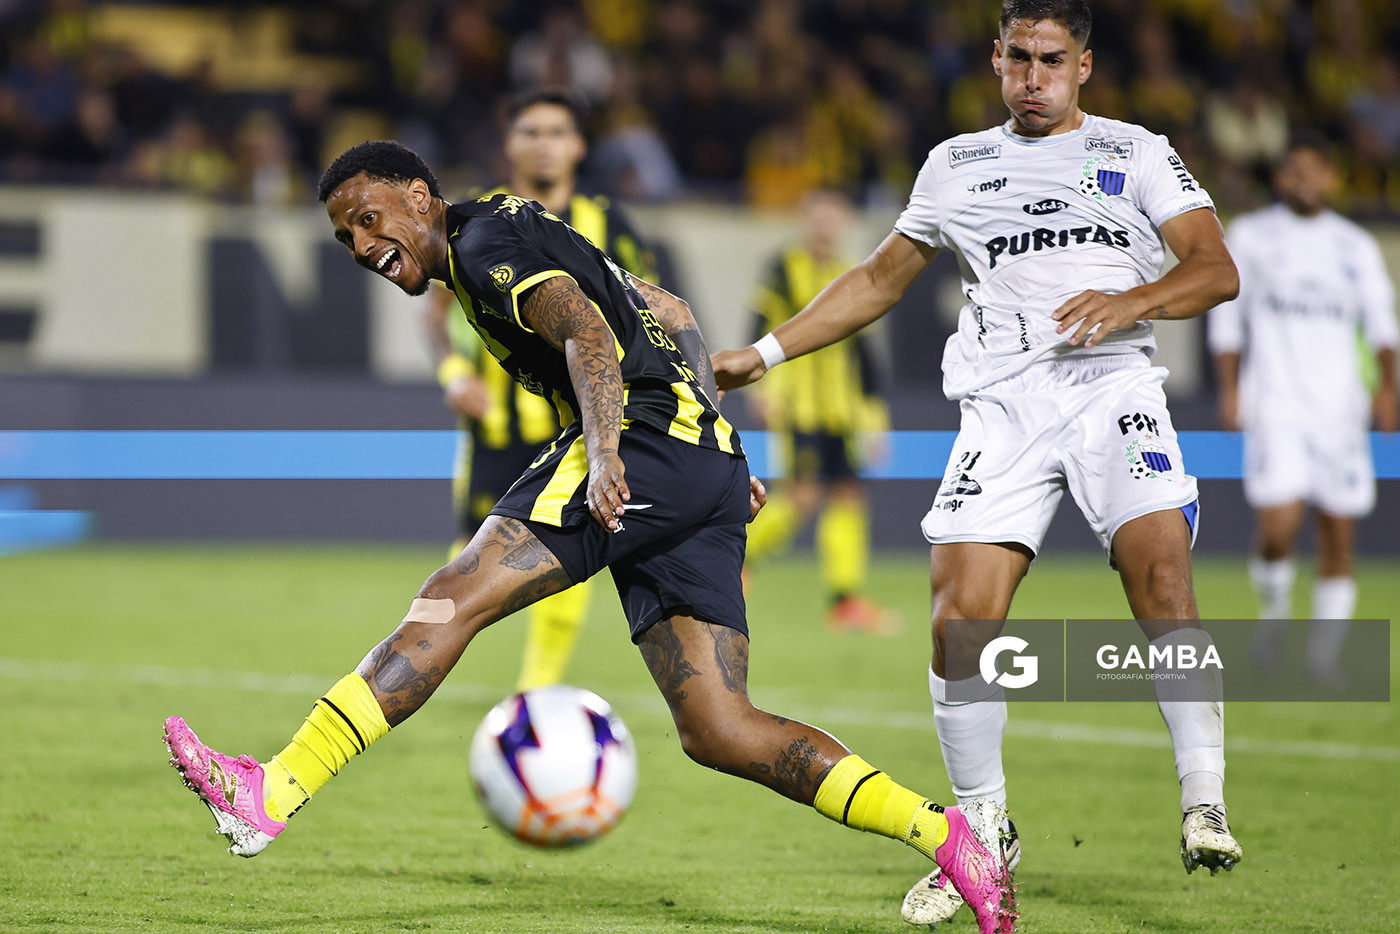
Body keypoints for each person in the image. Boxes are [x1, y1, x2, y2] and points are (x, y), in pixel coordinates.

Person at [162, 140, 1018, 934]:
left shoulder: (484, 247)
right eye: (346, 235)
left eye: (370, 218)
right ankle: (948, 837)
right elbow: (669, 308)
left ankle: (270, 791)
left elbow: (588, 332)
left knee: (449, 598)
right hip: (693, 458)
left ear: (420, 197)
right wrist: (717, 444)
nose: (360, 245)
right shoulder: (513, 227)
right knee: (719, 726)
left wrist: (607, 450)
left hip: (635, 444)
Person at [713, 1, 1243, 927]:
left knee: (1160, 580)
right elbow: (880, 278)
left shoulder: (1138, 150)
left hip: (1111, 388)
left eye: (1052, 59)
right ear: (995, 61)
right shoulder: (955, 165)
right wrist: (763, 355)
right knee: (960, 624)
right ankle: (986, 834)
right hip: (1000, 408)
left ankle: (1204, 798)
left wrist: (1137, 303)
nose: (1033, 76)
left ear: (1086, 65)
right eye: (1017, 59)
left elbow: (1215, 267)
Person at [425, 89, 656, 691]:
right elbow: (436, 309)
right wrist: (454, 374)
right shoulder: (475, 218)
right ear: (510, 144)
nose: (543, 143)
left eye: (556, 131)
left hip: (578, 425)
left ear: (578, 145)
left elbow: (645, 310)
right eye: (530, 131)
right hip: (495, 426)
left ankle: (534, 691)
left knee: (564, 558)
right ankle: (416, 670)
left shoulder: (611, 225)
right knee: (464, 566)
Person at [1208, 138, 1398, 684]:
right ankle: (1274, 619)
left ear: (1332, 180)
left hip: (1340, 411)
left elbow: (1382, 324)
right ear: (1281, 180)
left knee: (1339, 532)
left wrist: (1388, 388)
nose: (1305, 180)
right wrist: (1229, 388)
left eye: (1316, 170)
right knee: (1278, 526)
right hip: (1276, 406)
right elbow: (1228, 320)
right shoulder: (1252, 236)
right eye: (1295, 171)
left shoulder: (1354, 245)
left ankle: (1323, 658)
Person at [743, 187, 897, 633]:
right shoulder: (782, 268)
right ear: (805, 219)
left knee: (849, 496)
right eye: (819, 215)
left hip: (842, 411)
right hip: (799, 409)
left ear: (843, 220)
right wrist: (762, 390)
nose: (826, 223)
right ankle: (737, 557)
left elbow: (865, 356)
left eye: (834, 215)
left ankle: (845, 599)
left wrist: (874, 420)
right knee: (802, 497)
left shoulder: (851, 273)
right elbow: (759, 326)